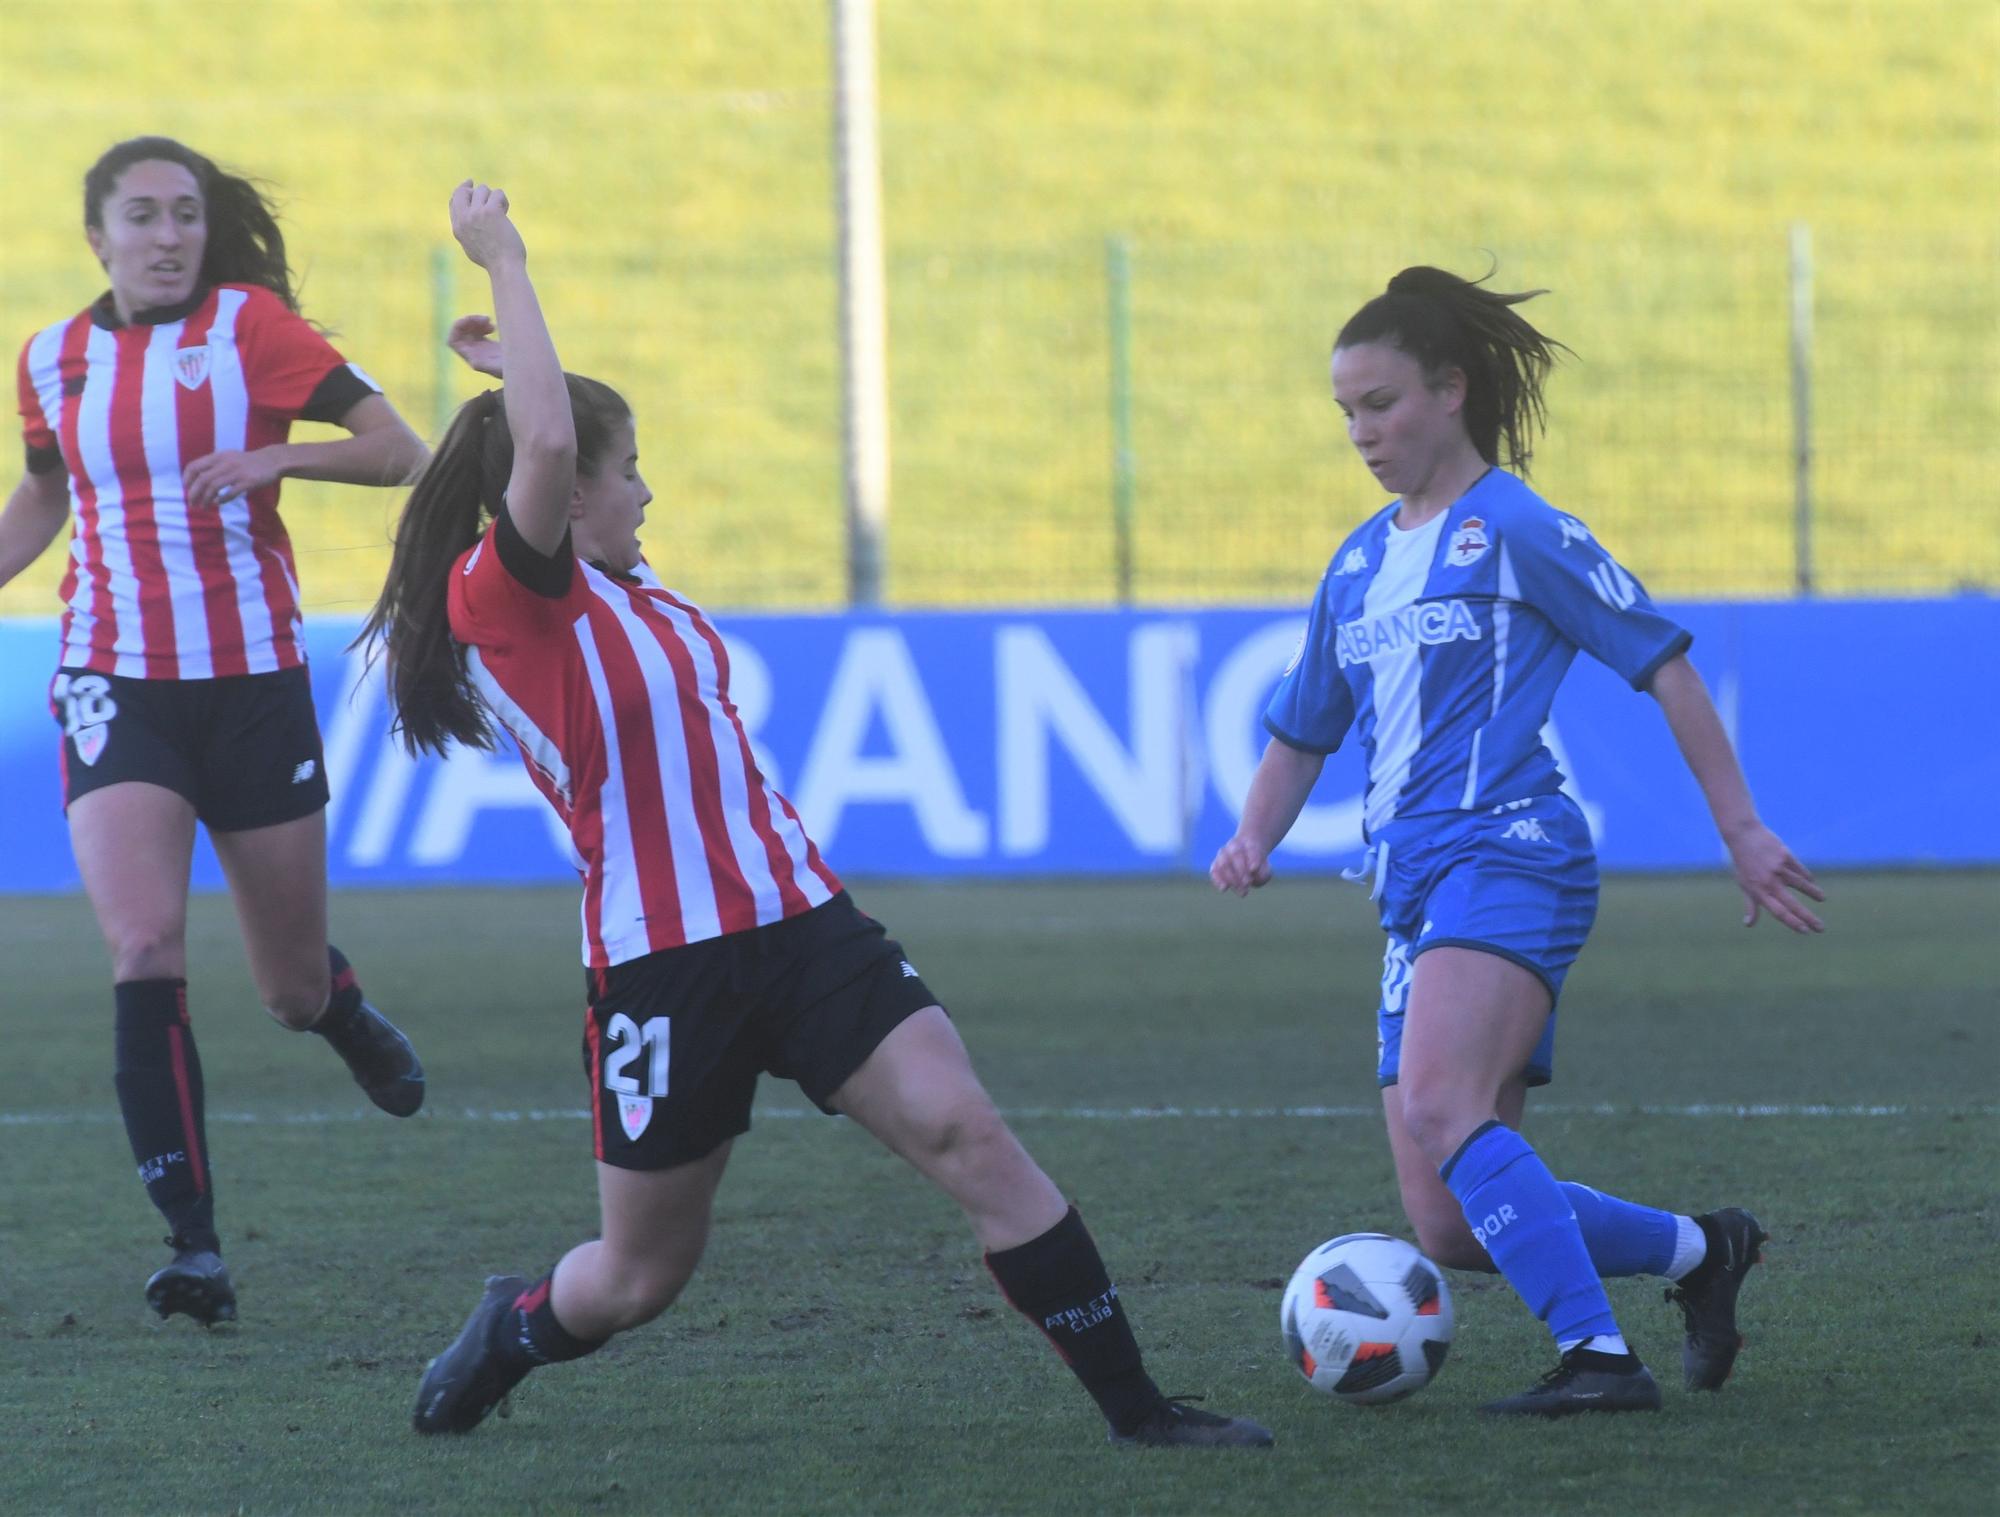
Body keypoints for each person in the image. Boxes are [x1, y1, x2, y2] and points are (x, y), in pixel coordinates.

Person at [360, 181, 1271, 1448]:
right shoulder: (500, 599)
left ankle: (1140, 1412)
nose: (646, 493)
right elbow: (553, 449)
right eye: (633, 473)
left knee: (969, 1132)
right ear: (565, 493)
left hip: (805, 923)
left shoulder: (645, 599)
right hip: (664, 964)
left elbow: (553, 445)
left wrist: (523, 363)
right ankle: (511, 1329)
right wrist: (505, 261)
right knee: (638, 1276)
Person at [1211, 266, 1826, 1417]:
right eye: (1344, 411)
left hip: (1509, 851)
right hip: (1407, 890)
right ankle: (1704, 1251)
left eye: (1380, 403)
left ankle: (1597, 1359)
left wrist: (1738, 826)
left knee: (1445, 1106)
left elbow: (1661, 660)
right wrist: (1252, 834)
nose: (1360, 431)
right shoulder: (1352, 564)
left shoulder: (1518, 530)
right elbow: (1302, 728)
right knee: (1448, 1220)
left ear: (1449, 390)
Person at [2, 136, 432, 1327]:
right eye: (139, 215)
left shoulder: (250, 330)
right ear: (97, 235)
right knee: (143, 946)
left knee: (286, 984)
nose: (166, 234)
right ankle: (194, 1246)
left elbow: (402, 449)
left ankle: (335, 1009)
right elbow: (48, 489)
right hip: (112, 678)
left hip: (250, 682)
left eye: (183, 213)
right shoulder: (52, 358)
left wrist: (279, 454)